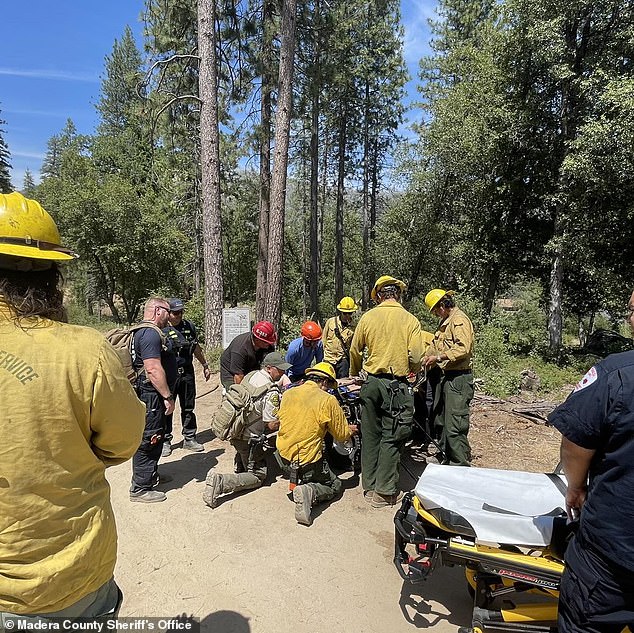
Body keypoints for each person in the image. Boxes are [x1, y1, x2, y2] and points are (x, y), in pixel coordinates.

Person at [0, 192, 145, 622]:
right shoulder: (85, 351)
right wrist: (71, 447)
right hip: (73, 576)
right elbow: (123, 442)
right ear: (51, 276)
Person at [547, 290, 634, 633]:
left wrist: (576, 487)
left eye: (631, 310)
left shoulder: (617, 375)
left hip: (612, 559)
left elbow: (575, 445)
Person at [349, 275, 423, 508]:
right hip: (396, 386)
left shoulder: (368, 317)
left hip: (371, 384)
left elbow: (355, 349)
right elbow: (417, 357)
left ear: (379, 295)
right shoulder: (410, 320)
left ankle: (369, 487)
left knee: (370, 436)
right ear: (398, 294)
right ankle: (385, 492)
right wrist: (412, 370)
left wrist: (355, 371)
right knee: (393, 437)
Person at [202, 351, 290, 509]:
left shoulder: (252, 375)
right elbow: (271, 424)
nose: (283, 373)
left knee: (250, 446)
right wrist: (287, 419)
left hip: (234, 429)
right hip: (247, 439)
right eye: (280, 369)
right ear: (269, 368)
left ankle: (241, 463)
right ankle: (220, 483)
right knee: (258, 475)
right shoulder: (271, 392)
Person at [276, 362, 357, 526]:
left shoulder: (289, 393)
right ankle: (309, 491)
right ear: (324, 382)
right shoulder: (328, 399)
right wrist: (351, 430)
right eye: (328, 386)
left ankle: (303, 483)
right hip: (307, 462)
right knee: (335, 484)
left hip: (282, 458)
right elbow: (341, 436)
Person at [129, 297, 178, 503]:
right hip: (151, 395)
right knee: (150, 437)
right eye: (168, 311)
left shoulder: (142, 331)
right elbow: (152, 369)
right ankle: (140, 488)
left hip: (150, 393)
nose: (170, 316)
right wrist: (167, 396)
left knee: (156, 433)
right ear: (158, 310)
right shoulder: (150, 334)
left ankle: (150, 474)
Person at [423, 289, 474, 466]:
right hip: (446, 377)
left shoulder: (459, 320)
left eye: (436, 310)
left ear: (443, 305)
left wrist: (438, 358)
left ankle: (459, 465)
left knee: (455, 424)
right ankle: (446, 454)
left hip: (458, 378)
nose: (435, 313)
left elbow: (463, 348)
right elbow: (435, 347)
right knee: (442, 419)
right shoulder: (445, 322)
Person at [162, 298, 211, 456]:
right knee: (167, 407)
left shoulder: (189, 326)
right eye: (175, 312)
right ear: (168, 314)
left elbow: (196, 347)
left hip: (187, 372)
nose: (178, 315)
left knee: (188, 407)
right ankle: (165, 440)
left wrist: (204, 365)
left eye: (180, 312)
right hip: (169, 374)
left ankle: (189, 437)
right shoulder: (160, 329)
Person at [219, 320, 277, 391]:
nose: (268, 344)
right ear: (257, 339)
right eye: (266, 342)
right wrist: (242, 394)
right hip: (231, 373)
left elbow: (271, 366)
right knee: (235, 394)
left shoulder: (267, 346)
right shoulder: (240, 349)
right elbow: (238, 376)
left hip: (251, 368)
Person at [322, 296, 359, 378]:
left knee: (343, 385)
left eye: (350, 313)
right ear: (340, 311)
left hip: (342, 360)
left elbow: (353, 347)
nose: (347, 315)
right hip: (328, 359)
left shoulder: (354, 327)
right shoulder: (330, 322)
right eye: (344, 313)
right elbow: (323, 340)